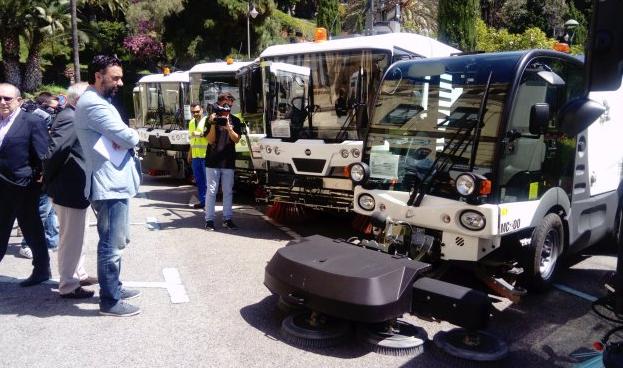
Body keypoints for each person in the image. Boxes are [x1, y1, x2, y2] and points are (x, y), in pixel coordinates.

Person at [75, 55, 142, 317]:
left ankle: (113, 287)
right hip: (108, 184)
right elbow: (127, 136)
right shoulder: (94, 105)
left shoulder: (98, 101)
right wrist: (132, 135)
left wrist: (122, 137)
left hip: (111, 182)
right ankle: (110, 300)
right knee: (111, 244)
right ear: (97, 75)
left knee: (114, 240)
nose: (120, 82)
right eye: (115, 77)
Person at [44, 82, 97, 299]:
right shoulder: (70, 118)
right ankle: (67, 284)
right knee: (70, 238)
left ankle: (78, 273)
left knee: (79, 236)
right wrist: (48, 182)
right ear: (78, 99)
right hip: (68, 188)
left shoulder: (75, 116)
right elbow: (54, 153)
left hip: (76, 188)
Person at [0, 83, 51, 287]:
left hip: (23, 187)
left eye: (7, 98)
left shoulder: (32, 122)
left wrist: (39, 181)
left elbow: (42, 155)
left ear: (19, 101)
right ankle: (42, 268)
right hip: (1, 187)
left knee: (31, 229)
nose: (2, 102)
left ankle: (41, 269)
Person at [204, 92, 242, 231]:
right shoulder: (210, 119)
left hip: (228, 161)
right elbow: (210, 140)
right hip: (213, 161)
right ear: (219, 103)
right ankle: (209, 220)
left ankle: (227, 219)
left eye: (230, 102)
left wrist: (229, 128)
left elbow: (236, 139)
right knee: (211, 191)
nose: (227, 105)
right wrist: (213, 124)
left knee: (228, 191)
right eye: (225, 102)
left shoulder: (235, 120)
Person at [187, 102, 208, 209]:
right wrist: (189, 153)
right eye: (192, 112)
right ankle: (203, 202)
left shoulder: (207, 121)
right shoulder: (191, 123)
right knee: (199, 181)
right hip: (195, 156)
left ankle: (208, 204)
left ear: (202, 110)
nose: (195, 113)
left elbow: (210, 136)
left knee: (208, 182)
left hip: (206, 156)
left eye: (197, 111)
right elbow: (191, 140)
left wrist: (199, 134)